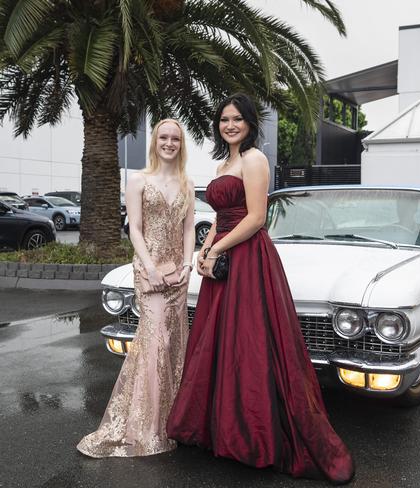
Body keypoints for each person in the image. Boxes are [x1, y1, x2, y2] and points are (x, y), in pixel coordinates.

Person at [166, 94, 354, 483]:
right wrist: (206, 245)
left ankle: (253, 435)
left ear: (250, 123)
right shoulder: (222, 164)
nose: (230, 124)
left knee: (249, 340)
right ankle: (218, 427)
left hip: (249, 258)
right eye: (223, 119)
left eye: (237, 119)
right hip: (224, 255)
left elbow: (255, 218)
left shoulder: (254, 160)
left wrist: (217, 247)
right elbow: (222, 216)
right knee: (220, 341)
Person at [77, 119, 196, 457]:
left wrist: (188, 266)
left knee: (175, 344)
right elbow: (135, 230)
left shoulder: (187, 183)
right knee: (155, 343)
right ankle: (147, 428)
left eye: (175, 138)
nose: (169, 143)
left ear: (180, 144)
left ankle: (173, 419)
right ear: (155, 142)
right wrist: (149, 268)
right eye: (163, 137)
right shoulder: (139, 180)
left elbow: (189, 231)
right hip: (150, 274)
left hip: (178, 276)